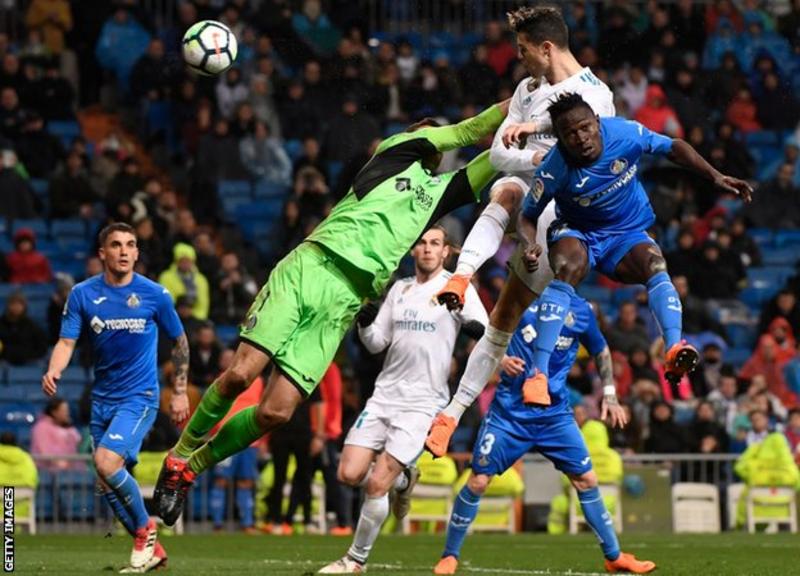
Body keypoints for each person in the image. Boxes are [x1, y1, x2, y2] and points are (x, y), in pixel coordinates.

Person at [152, 98, 511, 528]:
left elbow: (497, 156)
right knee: (240, 374)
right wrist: (525, 98)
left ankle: (191, 470)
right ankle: (177, 458)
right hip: (311, 267)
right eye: (428, 129)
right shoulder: (395, 153)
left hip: (347, 300)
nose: (432, 135)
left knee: (276, 412)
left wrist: (533, 126)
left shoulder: (437, 196)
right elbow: (472, 131)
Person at [428, 6, 615, 455]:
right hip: (524, 185)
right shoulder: (527, 89)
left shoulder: (596, 96)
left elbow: (594, 161)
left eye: (524, 50)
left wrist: (539, 162)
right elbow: (496, 155)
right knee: (504, 193)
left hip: (560, 208)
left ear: (546, 48)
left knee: (502, 321)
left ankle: (454, 412)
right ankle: (461, 276)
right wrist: (533, 160)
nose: (520, 58)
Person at [502, 92, 751, 413]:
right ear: (560, 138)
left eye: (585, 128)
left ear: (596, 122)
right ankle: (537, 374)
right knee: (566, 266)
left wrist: (715, 175)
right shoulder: (554, 169)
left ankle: (674, 347)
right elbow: (526, 216)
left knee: (656, 264)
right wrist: (528, 243)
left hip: (626, 235)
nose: (580, 138)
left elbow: (673, 147)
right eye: (569, 134)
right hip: (579, 233)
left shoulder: (625, 133)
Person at [433, 294, 654, 575]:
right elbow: (488, 336)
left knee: (587, 479)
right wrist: (501, 360)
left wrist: (610, 394)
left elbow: (600, 349)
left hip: (554, 416)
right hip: (510, 415)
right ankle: (449, 556)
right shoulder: (520, 298)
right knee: (478, 480)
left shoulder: (582, 310)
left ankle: (614, 556)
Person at [319, 225, 487, 574]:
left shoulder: (458, 286)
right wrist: (364, 325)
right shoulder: (400, 289)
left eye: (435, 244)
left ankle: (355, 560)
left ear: (446, 252)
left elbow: (482, 329)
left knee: (376, 484)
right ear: (413, 251)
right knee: (348, 473)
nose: (427, 249)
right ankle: (404, 481)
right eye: (422, 243)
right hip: (384, 395)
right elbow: (377, 342)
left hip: (424, 401)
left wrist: (462, 317)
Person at [42, 222, 189, 573]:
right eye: (116, 245)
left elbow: (180, 342)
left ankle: (145, 531)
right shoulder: (82, 294)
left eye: (130, 244)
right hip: (102, 400)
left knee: (108, 464)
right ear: (102, 253)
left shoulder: (156, 294)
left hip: (140, 396)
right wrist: (54, 370)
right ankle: (155, 552)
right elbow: (66, 342)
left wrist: (180, 391)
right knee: (105, 479)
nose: (124, 251)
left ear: (137, 252)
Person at [30, 397, 82, 471]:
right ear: (54, 412)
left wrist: (69, 427)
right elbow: (44, 451)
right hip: (46, 471)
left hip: (68, 471)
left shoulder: (68, 428)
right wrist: (60, 464)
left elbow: (78, 440)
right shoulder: (41, 427)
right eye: (63, 411)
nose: (67, 413)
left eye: (67, 410)